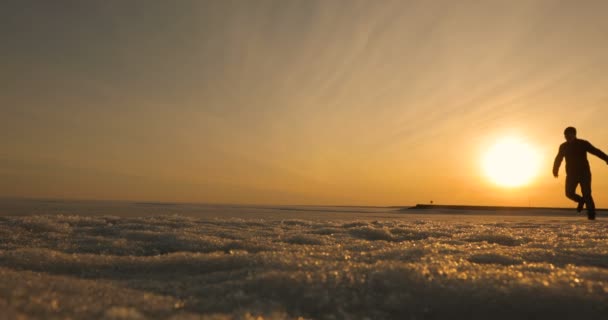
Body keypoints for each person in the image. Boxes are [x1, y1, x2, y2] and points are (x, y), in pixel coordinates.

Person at [553, 126, 608, 220]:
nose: (567, 137)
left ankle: (591, 216)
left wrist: (606, 158)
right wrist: (555, 169)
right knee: (569, 193)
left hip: (584, 173)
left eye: (569, 135)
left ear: (574, 135)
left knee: (587, 193)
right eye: (565, 135)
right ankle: (581, 201)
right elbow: (558, 158)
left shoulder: (583, 143)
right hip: (571, 174)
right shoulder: (563, 146)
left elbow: (595, 151)